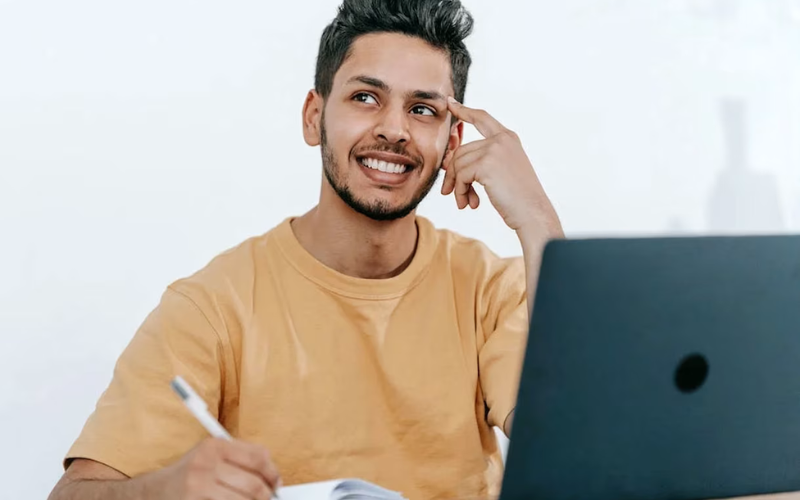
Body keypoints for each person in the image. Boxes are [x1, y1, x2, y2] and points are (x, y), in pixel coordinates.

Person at [47, 0, 563, 498]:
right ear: (313, 117)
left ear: (452, 143)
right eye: (365, 97)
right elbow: (75, 494)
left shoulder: (495, 292)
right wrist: (167, 492)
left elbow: (586, 451)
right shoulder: (212, 307)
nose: (393, 129)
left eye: (423, 109)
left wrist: (538, 221)